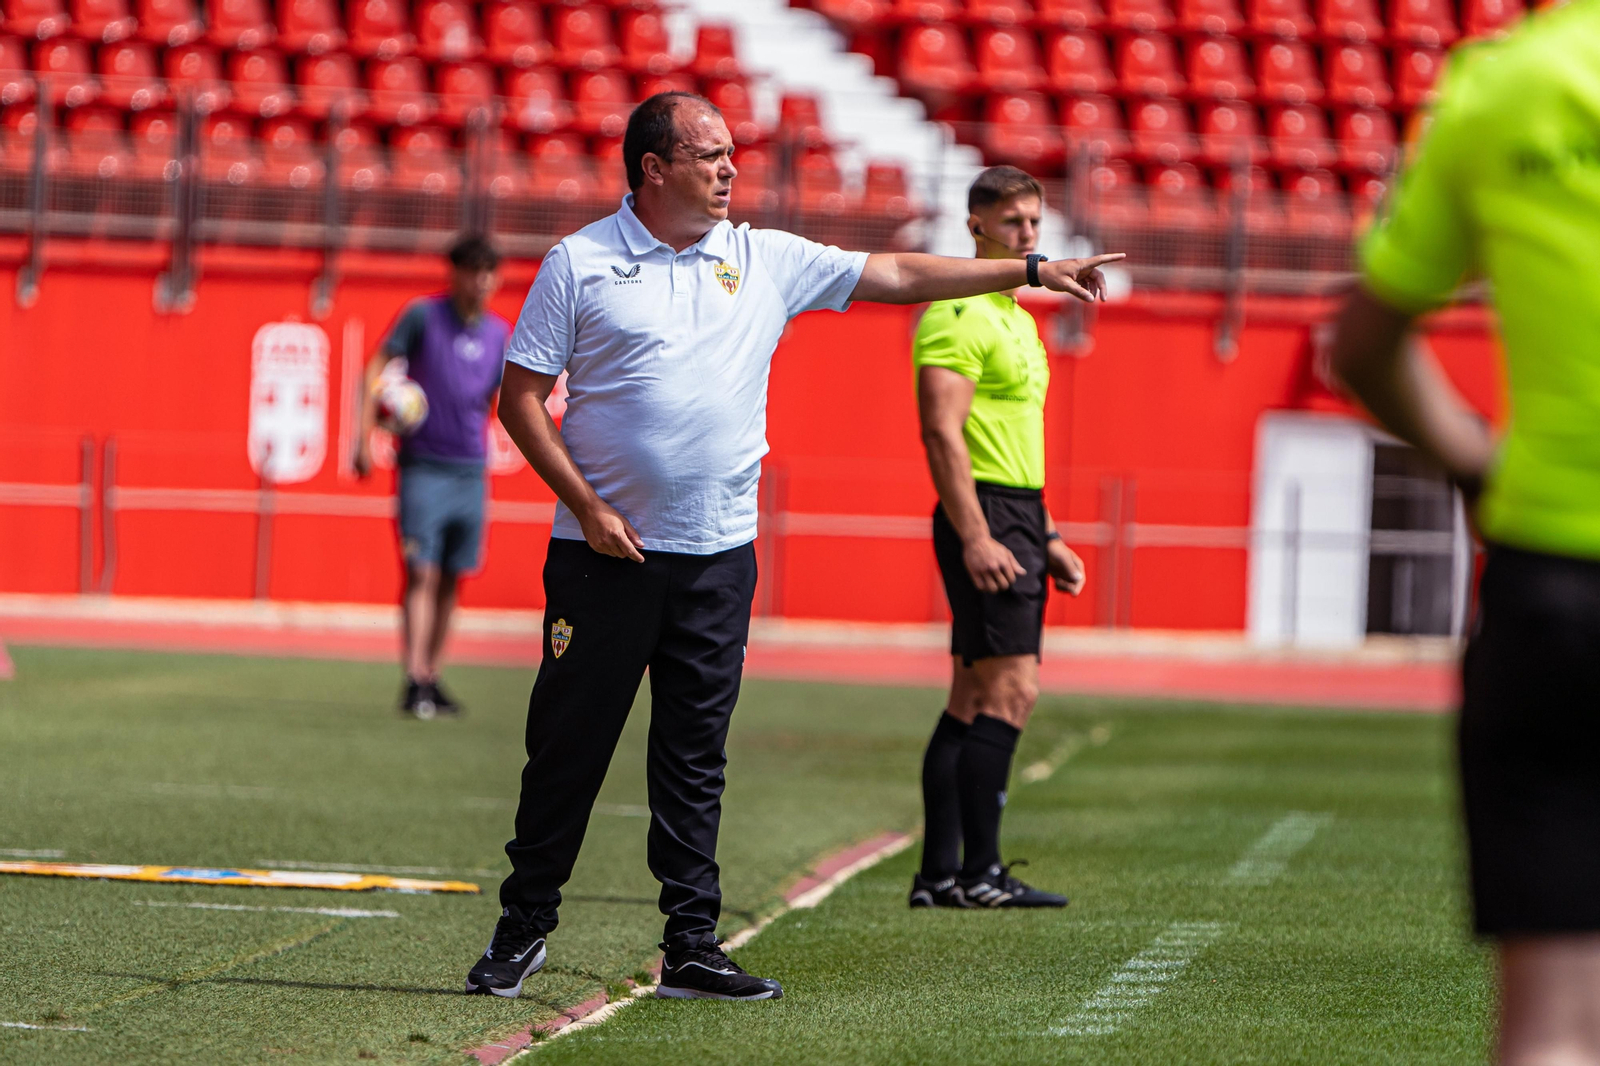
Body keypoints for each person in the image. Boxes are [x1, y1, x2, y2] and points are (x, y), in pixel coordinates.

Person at [466, 91, 1123, 1002]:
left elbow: (893, 274)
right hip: (603, 557)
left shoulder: (761, 256)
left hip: (719, 558)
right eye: (710, 155)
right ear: (654, 167)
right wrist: (586, 504)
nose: (731, 168)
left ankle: (691, 943)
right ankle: (523, 924)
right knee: (568, 747)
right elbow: (522, 400)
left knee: (695, 756)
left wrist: (1028, 269)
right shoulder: (578, 263)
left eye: (733, 153)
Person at [1328, 15, 1600, 1065]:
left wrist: (1482, 469)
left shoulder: (1505, 83)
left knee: (1548, 1030)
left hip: (1554, 581)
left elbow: (1362, 344)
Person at [909, 166, 1086, 912]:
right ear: (975, 225)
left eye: (1035, 225)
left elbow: (1013, 438)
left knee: (972, 695)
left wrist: (1044, 533)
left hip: (1017, 513)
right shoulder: (957, 313)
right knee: (1013, 693)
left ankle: (941, 876)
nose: (1027, 238)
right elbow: (942, 432)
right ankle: (979, 874)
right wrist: (978, 534)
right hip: (981, 515)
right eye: (1012, 224)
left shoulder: (1018, 318)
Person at [356, 234, 509, 720]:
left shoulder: (499, 333)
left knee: (452, 576)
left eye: (488, 272)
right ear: (455, 272)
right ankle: (412, 677)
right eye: (472, 270)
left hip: (470, 469)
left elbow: (510, 396)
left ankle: (433, 677)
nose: (480, 281)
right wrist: (364, 436)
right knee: (421, 570)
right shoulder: (423, 316)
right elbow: (376, 368)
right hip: (422, 465)